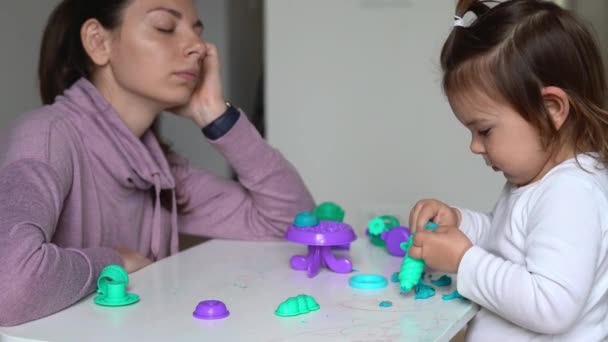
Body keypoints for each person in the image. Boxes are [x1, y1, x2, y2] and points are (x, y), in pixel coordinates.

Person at [0, 0, 314, 326]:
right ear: (98, 42)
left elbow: (293, 223)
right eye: (165, 26)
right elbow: (9, 287)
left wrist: (217, 117)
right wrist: (112, 262)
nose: (197, 47)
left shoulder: (157, 169)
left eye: (197, 32)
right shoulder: (45, 139)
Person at [407, 0, 608, 340]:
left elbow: (551, 305)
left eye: (484, 130)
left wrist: (464, 261)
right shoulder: (538, 182)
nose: (474, 146)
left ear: (550, 109)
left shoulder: (572, 193)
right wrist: (460, 223)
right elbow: (508, 241)